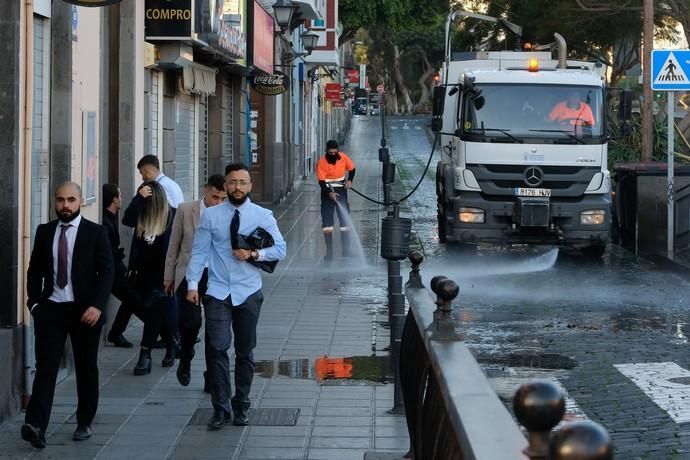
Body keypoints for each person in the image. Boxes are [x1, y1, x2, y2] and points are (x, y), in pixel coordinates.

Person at [186, 163, 286, 429]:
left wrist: (254, 254)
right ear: (225, 186)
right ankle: (220, 408)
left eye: (242, 182)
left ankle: (241, 404)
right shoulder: (211, 216)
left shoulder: (262, 215)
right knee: (217, 349)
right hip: (217, 291)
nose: (237, 187)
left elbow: (281, 248)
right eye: (232, 182)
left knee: (245, 352)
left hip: (248, 292)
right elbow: (198, 251)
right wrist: (192, 285)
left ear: (249, 186)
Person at [22, 182, 114, 448]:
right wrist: (34, 304)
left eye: (71, 200)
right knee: (46, 369)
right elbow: (34, 269)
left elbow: (107, 273)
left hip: (86, 312)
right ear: (54, 201)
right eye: (60, 200)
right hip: (51, 310)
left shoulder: (95, 233)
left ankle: (84, 421)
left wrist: (97, 306)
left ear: (80, 201)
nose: (65, 205)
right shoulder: (44, 231)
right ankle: (36, 425)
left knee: (86, 369)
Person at [164, 174, 227, 388]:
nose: (217, 202)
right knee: (191, 322)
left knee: (214, 327)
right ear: (205, 191)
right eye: (214, 197)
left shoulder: (228, 214)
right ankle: (187, 355)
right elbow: (174, 244)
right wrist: (168, 276)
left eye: (222, 198)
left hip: (216, 276)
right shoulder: (185, 209)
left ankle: (211, 375)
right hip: (189, 274)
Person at [123, 180, 178, 375]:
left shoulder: (172, 216)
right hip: (142, 274)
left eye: (148, 201)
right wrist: (138, 198)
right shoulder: (141, 215)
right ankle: (172, 342)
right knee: (152, 311)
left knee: (154, 311)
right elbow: (126, 220)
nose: (146, 206)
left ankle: (144, 354)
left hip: (163, 275)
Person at [102, 184, 135, 348]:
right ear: (114, 199)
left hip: (116, 267)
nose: (121, 199)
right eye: (119, 196)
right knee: (131, 297)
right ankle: (115, 333)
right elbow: (109, 252)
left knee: (132, 297)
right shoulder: (105, 222)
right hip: (111, 270)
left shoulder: (111, 217)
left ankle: (116, 333)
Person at [316, 139, 356, 261]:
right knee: (327, 224)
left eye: (335, 152)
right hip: (327, 193)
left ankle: (346, 250)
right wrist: (330, 193)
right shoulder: (321, 162)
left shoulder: (343, 157)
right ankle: (329, 253)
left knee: (345, 222)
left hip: (342, 191)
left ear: (338, 150)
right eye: (330, 152)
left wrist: (350, 180)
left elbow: (352, 169)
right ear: (326, 151)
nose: (333, 154)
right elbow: (322, 182)